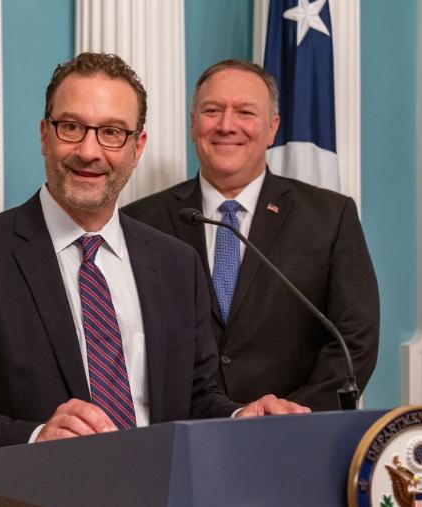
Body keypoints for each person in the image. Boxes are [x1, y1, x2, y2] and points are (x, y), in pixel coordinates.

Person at [0, 53, 308, 506]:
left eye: (112, 133)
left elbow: (196, 398)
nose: (89, 151)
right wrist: (37, 438)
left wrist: (239, 418)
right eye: (71, 127)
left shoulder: (176, 263)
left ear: (137, 148)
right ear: (45, 135)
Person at [123, 59, 380, 411]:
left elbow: (355, 338)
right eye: (212, 111)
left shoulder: (330, 218)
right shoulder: (140, 221)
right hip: (180, 435)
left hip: (293, 434)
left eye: (245, 112)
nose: (227, 126)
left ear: (272, 128)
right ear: (192, 124)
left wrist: (291, 415)